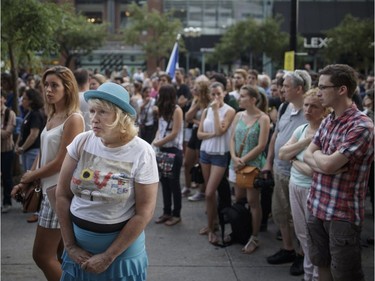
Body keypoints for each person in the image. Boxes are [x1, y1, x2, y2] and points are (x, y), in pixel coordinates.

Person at [55, 82, 159, 281]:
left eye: (102, 112)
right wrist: (70, 246)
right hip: (77, 250)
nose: (93, 118)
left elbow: (144, 212)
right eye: (92, 111)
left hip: (121, 256)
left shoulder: (142, 152)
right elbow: (62, 195)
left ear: (120, 117)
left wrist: (109, 256)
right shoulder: (82, 141)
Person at [11, 66, 85, 281]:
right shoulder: (52, 113)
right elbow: (44, 154)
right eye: (46, 85)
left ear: (68, 88)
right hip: (46, 190)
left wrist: (32, 176)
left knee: (42, 256)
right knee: (64, 255)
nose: (48, 90)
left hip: (59, 192)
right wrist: (28, 178)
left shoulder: (74, 118)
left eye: (55, 85)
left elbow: (61, 161)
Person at [303, 64, 374, 281]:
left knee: (345, 275)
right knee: (321, 264)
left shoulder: (361, 126)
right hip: (316, 206)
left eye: (323, 87)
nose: (318, 92)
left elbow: (324, 165)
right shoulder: (329, 120)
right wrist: (325, 162)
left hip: (342, 214)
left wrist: (323, 163)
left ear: (342, 90)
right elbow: (308, 155)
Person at [264, 70, 311, 277]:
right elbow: (276, 135)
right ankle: (288, 248)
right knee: (280, 211)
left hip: (298, 173)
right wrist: (269, 161)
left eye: (286, 86)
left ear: (299, 89)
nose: (282, 89)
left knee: (299, 217)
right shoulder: (284, 106)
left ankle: (303, 255)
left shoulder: (311, 111)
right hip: (279, 170)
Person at [279, 88, 329, 281]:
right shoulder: (302, 130)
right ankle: (309, 274)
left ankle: (317, 276)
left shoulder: (326, 133)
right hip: (295, 185)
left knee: (314, 237)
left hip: (312, 190)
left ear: (324, 110)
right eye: (306, 105)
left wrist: (294, 160)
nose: (307, 110)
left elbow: (315, 171)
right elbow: (283, 154)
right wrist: (305, 142)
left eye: (314, 106)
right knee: (301, 234)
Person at [229, 84, 270, 253]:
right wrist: (234, 158)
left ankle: (254, 236)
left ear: (253, 100)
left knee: (253, 202)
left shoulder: (263, 118)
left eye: (243, 96)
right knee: (238, 199)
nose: (240, 98)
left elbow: (261, 145)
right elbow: (231, 139)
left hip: (252, 166)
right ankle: (240, 231)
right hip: (236, 164)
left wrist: (243, 160)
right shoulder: (238, 115)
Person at [197, 81, 236, 245]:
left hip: (220, 155)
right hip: (205, 153)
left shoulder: (229, 111)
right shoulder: (206, 110)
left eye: (219, 94)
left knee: (210, 192)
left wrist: (215, 111)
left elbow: (222, 131)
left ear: (224, 93)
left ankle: (213, 230)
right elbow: (199, 134)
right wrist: (212, 132)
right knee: (210, 193)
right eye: (213, 94)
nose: (216, 97)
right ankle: (211, 224)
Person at [153, 84, 184, 226]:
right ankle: (166, 212)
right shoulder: (161, 109)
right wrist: (155, 141)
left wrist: (159, 143)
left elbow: (175, 132)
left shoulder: (177, 110)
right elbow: (160, 129)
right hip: (163, 150)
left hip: (174, 150)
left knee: (174, 183)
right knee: (164, 182)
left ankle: (176, 213)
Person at [14, 88, 46, 222]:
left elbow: (33, 135)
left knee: (34, 180)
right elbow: (23, 132)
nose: (23, 100)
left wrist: (22, 148)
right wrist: (18, 145)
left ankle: (37, 210)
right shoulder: (29, 113)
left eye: (25, 98)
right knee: (28, 178)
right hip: (27, 151)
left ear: (32, 100)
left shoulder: (36, 115)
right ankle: (30, 204)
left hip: (32, 151)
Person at [181, 78, 211, 201]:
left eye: (196, 87)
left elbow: (209, 121)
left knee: (201, 164)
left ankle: (202, 191)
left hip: (205, 134)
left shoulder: (210, 102)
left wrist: (197, 121)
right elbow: (187, 117)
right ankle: (187, 186)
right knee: (187, 162)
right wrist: (197, 105)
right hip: (195, 132)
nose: (193, 89)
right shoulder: (196, 100)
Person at [1, 91, 16, 213]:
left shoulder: (9, 113)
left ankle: (7, 202)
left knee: (6, 177)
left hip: (6, 150)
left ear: (4, 99)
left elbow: (7, 133)